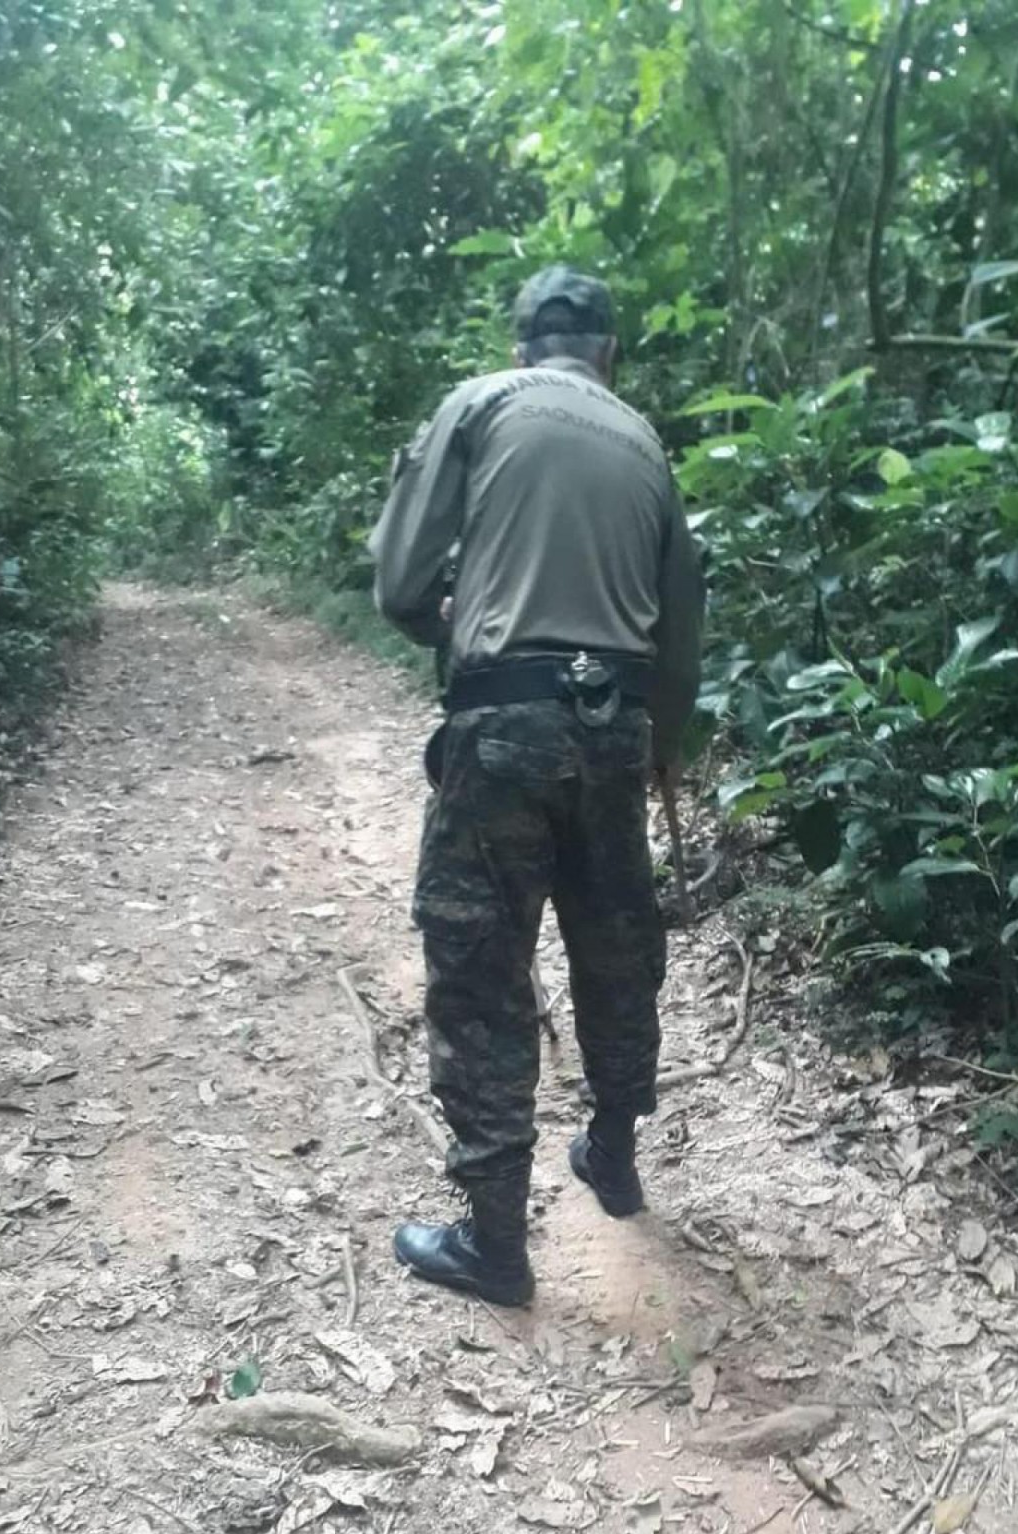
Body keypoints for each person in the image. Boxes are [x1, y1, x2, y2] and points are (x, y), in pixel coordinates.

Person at [369, 265, 704, 1308]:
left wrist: (459, 623)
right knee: (615, 945)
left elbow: (399, 584)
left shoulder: (483, 402)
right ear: (609, 352)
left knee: (482, 965)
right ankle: (612, 1151)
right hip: (619, 729)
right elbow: (681, 632)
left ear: (525, 345)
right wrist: (662, 750)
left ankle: (496, 1241)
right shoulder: (647, 444)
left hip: (504, 723)